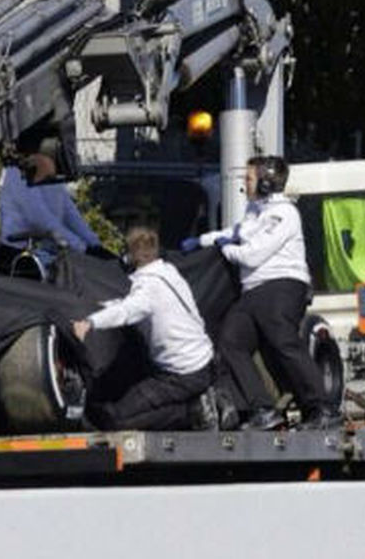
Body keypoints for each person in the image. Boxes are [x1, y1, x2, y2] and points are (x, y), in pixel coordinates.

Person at [180, 155, 342, 431]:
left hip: (282, 286)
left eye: (250, 179)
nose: (245, 184)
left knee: (283, 342)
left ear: (267, 184)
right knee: (230, 341)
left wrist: (224, 248)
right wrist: (201, 241)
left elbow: (252, 255)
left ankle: (323, 407)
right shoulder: (256, 212)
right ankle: (263, 408)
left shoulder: (284, 214)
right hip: (255, 290)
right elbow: (236, 232)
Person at [71, 226, 222, 430]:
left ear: (132, 255)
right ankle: (196, 402)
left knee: (117, 418)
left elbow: (127, 310)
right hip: (204, 361)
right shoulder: (168, 272)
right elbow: (132, 303)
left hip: (182, 374)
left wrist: (90, 323)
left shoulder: (148, 288)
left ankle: (193, 412)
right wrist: (106, 307)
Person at [0, 152, 113, 276]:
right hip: (18, 256)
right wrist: (82, 248)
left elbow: (69, 211)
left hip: (49, 252)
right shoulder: (16, 172)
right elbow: (40, 219)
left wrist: (95, 245)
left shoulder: (47, 168)